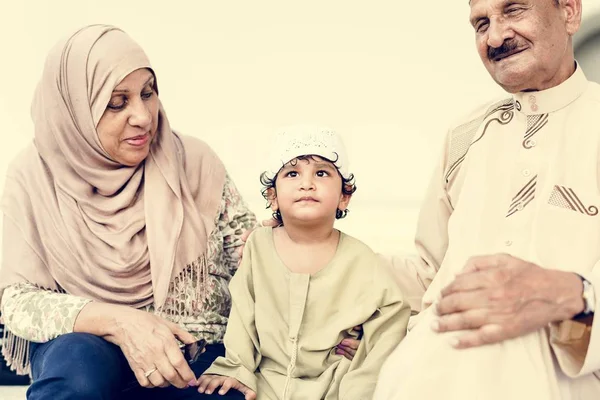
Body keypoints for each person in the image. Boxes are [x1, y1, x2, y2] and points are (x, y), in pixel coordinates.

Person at [0, 24, 259, 400]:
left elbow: (255, 266)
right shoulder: (33, 177)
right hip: (86, 351)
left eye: (148, 94)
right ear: (74, 109)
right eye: (117, 102)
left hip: (195, 358)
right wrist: (120, 321)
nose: (142, 116)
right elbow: (17, 300)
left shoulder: (195, 163)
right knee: (78, 377)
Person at [372, 0, 600, 399]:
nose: (495, 37)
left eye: (513, 11)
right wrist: (320, 249)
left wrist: (573, 293)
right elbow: (429, 274)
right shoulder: (465, 134)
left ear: (569, 12)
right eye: (481, 24)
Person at [196, 126, 410, 399]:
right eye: (292, 173)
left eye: (321, 173)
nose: (306, 183)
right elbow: (243, 315)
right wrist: (236, 367)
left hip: (334, 385)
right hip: (265, 382)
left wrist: (366, 351)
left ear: (344, 197)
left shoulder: (361, 259)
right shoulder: (258, 247)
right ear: (273, 197)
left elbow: (391, 321)